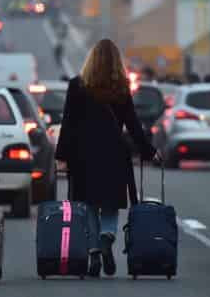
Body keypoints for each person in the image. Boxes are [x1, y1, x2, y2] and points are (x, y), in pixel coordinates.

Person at [55, 39, 157, 277]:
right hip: (114, 154)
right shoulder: (121, 87)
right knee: (110, 204)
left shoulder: (77, 85)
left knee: (89, 204)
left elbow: (68, 123)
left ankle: (93, 252)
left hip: (83, 155)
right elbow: (132, 124)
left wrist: (62, 156)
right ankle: (106, 239)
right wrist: (148, 150)